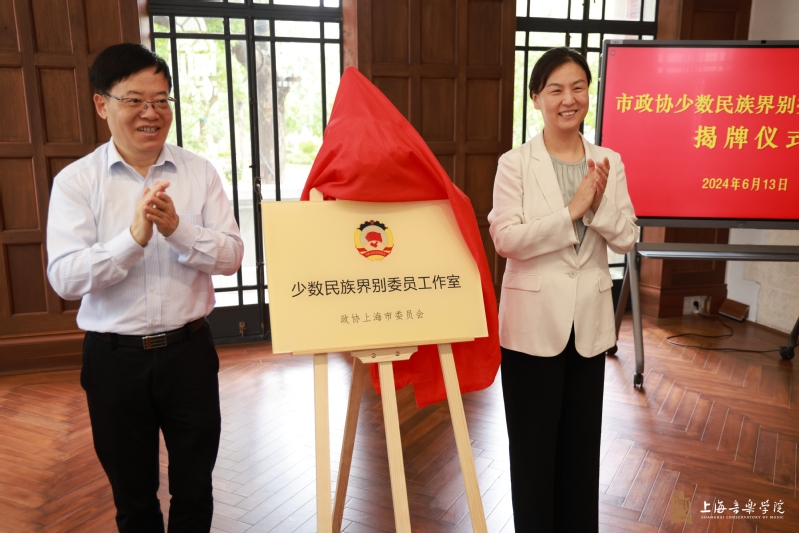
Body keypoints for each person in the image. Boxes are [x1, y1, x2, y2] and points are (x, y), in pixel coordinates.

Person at [46, 43, 244, 532]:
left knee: (195, 487)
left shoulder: (199, 172)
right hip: (114, 361)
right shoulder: (76, 182)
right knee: (133, 496)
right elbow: (65, 278)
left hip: (189, 354)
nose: (151, 113)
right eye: (134, 100)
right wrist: (132, 239)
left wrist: (178, 230)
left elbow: (232, 257)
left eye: (161, 100)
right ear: (102, 104)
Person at [487, 47, 639, 531]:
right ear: (536, 98)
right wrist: (571, 211)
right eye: (555, 90)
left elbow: (627, 236)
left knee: (580, 452)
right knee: (532, 453)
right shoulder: (515, 163)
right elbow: (506, 239)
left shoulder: (608, 161)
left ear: (589, 94)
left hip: (589, 327)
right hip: (531, 329)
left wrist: (596, 207)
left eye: (578, 88)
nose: (567, 99)